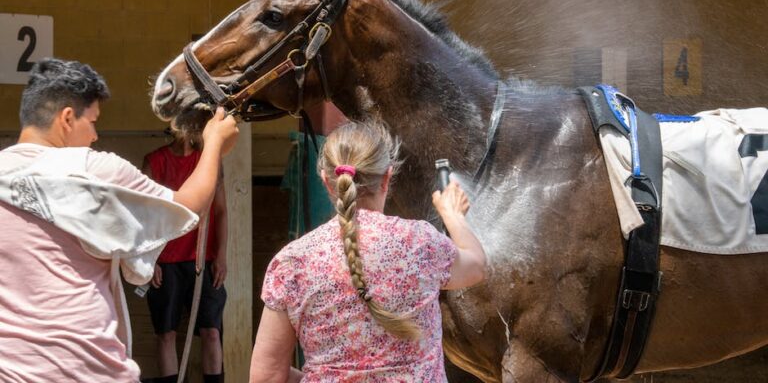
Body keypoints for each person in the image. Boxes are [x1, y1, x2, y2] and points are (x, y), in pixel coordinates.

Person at [0, 58, 238, 383]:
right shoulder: (93, 170)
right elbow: (186, 210)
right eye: (93, 122)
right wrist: (214, 146)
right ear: (67, 118)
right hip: (88, 370)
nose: (95, 136)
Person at [249, 120, 487, 382]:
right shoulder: (420, 242)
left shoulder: (292, 263)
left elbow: (266, 377)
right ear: (387, 177)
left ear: (326, 181)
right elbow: (475, 266)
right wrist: (454, 217)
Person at [142, 133, 228, 383]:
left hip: (203, 259)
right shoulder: (155, 161)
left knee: (211, 331)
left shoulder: (208, 161)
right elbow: (144, 214)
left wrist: (221, 254)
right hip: (166, 260)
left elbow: (221, 211)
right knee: (166, 333)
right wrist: (150, 258)